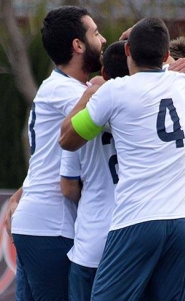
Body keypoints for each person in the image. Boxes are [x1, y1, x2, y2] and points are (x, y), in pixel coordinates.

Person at [59, 17, 185, 301]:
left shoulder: (114, 91)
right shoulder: (180, 82)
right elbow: (171, 63)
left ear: (127, 53)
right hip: (184, 220)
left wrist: (91, 92)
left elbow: (67, 139)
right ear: (165, 55)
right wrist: (149, 37)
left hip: (138, 219)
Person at [4, 5, 106, 300]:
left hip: (37, 221)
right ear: (78, 45)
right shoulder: (69, 92)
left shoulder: (62, 87)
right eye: (96, 33)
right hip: (50, 224)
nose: (103, 41)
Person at [59, 40, 128, 301]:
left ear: (104, 74)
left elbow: (68, 187)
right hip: (132, 242)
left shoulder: (80, 116)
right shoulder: (146, 113)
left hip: (92, 243)